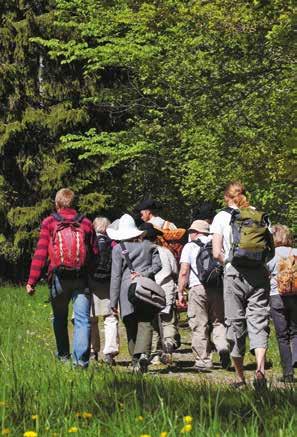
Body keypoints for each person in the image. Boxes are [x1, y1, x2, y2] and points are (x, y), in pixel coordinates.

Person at [212, 181, 274, 388]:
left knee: (235, 323)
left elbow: (216, 252)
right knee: (258, 321)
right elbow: (270, 250)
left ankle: (240, 378)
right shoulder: (260, 215)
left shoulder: (222, 217)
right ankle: (260, 371)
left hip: (234, 275)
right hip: (259, 274)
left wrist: (228, 262)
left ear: (226, 197)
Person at [26, 188, 97, 368]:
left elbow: (41, 253)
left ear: (57, 204)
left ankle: (64, 357)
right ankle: (80, 362)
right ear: (74, 203)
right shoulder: (87, 223)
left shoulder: (50, 222)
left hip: (58, 278)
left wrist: (31, 281)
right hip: (82, 278)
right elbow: (95, 254)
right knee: (82, 320)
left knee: (59, 317)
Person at [107, 214, 162, 373]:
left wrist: (113, 302)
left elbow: (116, 276)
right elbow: (158, 266)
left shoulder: (118, 249)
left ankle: (136, 359)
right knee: (145, 322)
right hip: (146, 289)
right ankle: (143, 354)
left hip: (126, 291)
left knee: (130, 323)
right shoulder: (149, 246)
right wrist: (144, 274)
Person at [178, 220, 229, 371]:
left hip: (197, 287)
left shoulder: (190, 246)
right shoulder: (218, 243)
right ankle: (223, 347)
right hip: (218, 288)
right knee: (219, 322)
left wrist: (180, 291)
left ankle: (203, 360)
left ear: (196, 232)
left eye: (191, 232)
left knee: (199, 324)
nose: (190, 235)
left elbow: (184, 271)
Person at [138, 223, 181, 364]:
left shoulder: (142, 252)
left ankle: (154, 354)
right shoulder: (165, 251)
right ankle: (168, 344)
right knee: (168, 320)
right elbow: (174, 270)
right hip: (166, 287)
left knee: (152, 322)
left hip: (149, 288)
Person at [267, 224, 297, 383]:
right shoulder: (296, 253)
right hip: (296, 296)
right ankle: (295, 357)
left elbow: (264, 274)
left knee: (282, 336)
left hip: (276, 296)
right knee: (295, 331)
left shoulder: (271, 254)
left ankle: (288, 372)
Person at [88, 217, 119, 365]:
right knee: (110, 318)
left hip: (91, 283)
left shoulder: (89, 242)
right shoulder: (113, 244)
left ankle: (93, 351)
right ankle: (110, 352)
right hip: (109, 283)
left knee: (91, 318)